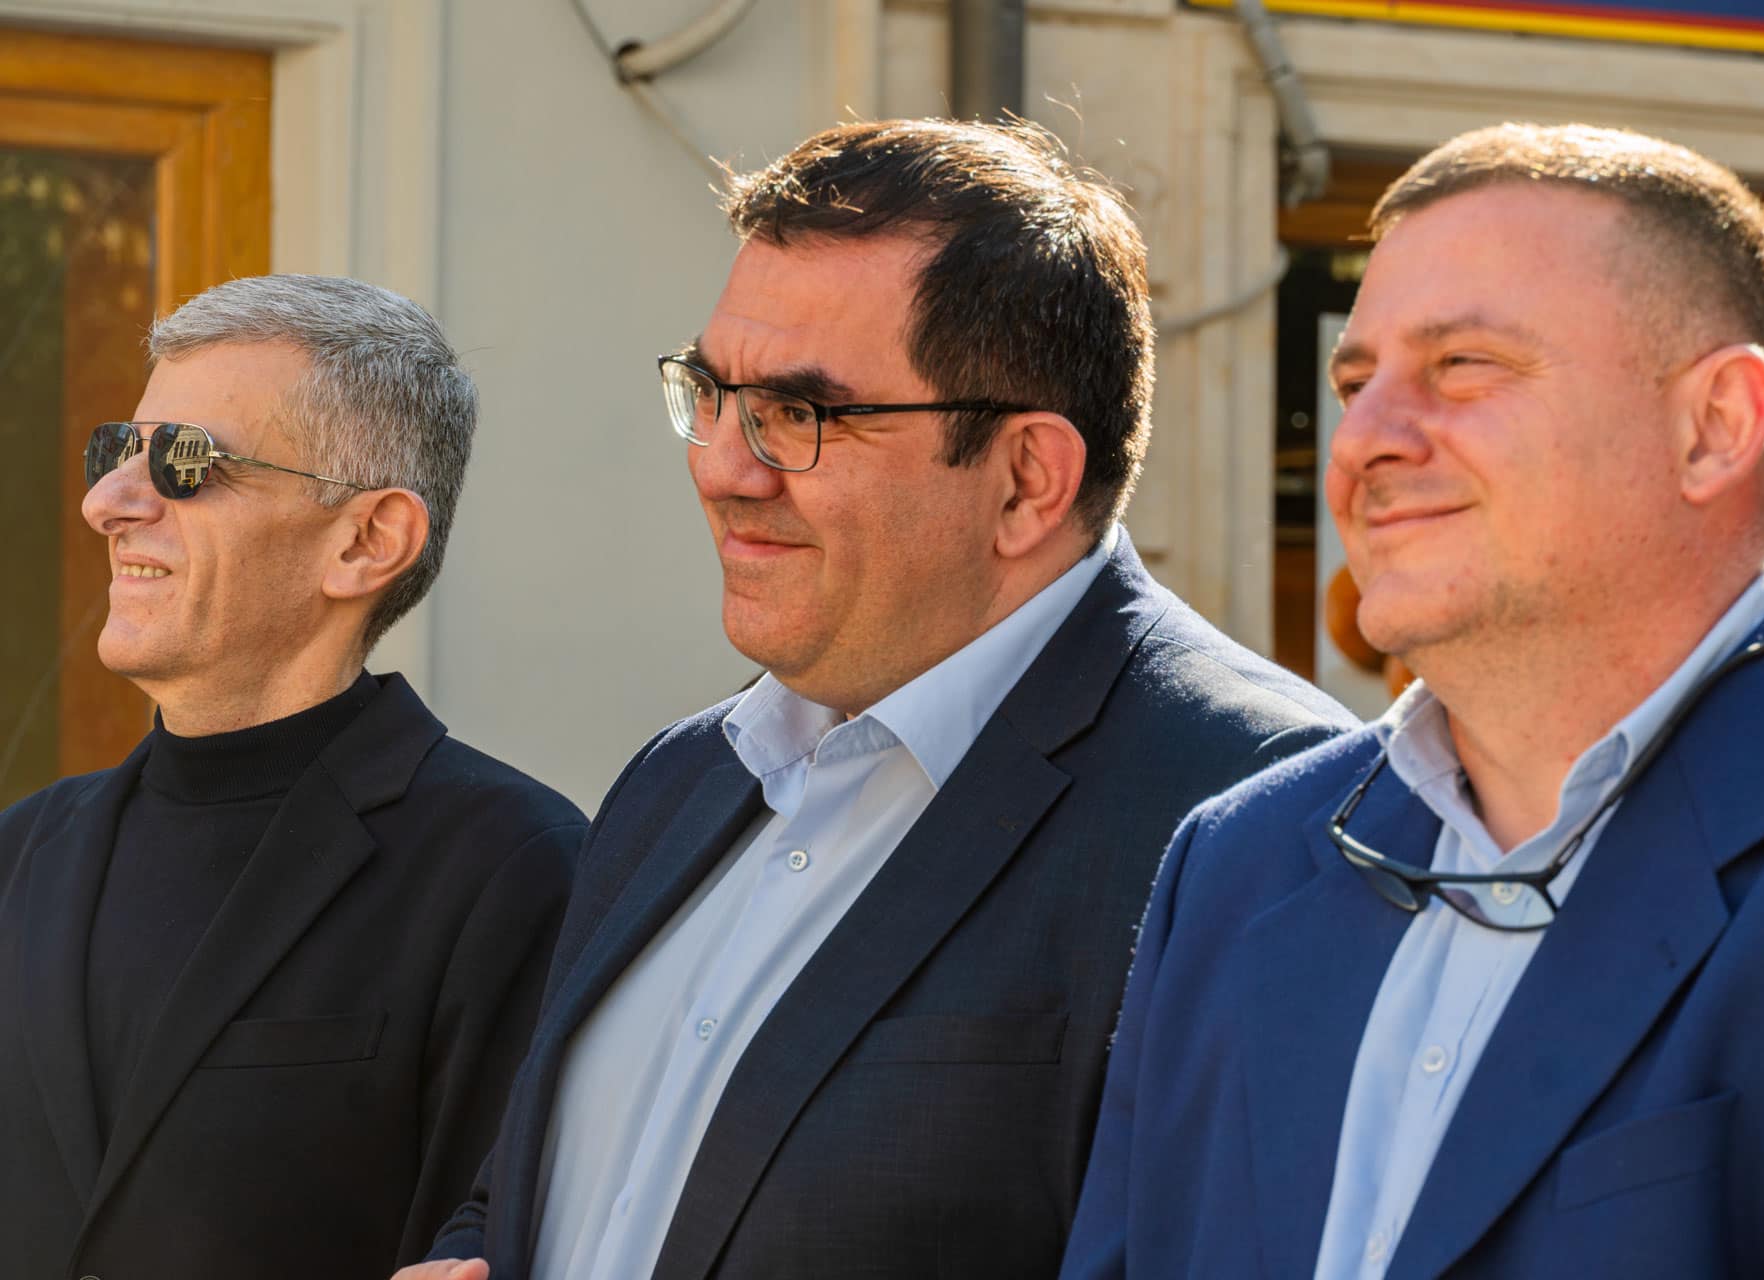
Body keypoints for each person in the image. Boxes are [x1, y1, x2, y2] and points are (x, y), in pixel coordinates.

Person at [405, 117, 1353, 1280]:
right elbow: (552, 1184)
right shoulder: (681, 775)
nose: (722, 466)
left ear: (1027, 479)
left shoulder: (1266, 806)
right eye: (711, 390)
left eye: (799, 413)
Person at [1061, 122, 1764, 1280]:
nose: (1363, 440)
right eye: (1355, 383)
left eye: (1462, 365)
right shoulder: (1235, 863)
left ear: (1715, 424)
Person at [0, 275, 584, 1280]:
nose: (106, 503)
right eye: (116, 451)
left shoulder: (513, 870)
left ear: (366, 540)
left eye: (183, 462)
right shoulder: (21, 853)